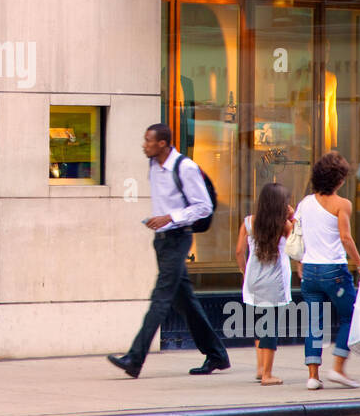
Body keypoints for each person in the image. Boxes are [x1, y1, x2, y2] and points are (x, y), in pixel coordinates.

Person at [107, 123, 230, 378]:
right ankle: (217, 355)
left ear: (162, 143)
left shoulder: (184, 167)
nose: (144, 144)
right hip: (162, 240)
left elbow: (203, 207)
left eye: (148, 140)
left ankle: (135, 358)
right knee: (185, 300)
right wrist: (160, 222)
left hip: (178, 238)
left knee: (160, 298)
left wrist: (169, 218)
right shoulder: (153, 164)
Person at [296, 151, 360, 389]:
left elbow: (298, 235)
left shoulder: (305, 203)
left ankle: (312, 376)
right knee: (351, 315)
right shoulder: (342, 204)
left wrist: (300, 263)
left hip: (309, 271)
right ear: (339, 180)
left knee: (314, 323)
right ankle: (338, 367)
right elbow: (346, 238)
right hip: (334, 271)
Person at [239, 182, 293, 386]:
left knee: (258, 323)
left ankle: (260, 367)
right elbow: (298, 246)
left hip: (253, 279)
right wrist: (293, 218)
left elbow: (238, 251)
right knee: (270, 327)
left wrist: (245, 271)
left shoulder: (248, 222)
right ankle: (267, 375)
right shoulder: (285, 226)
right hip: (275, 281)